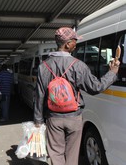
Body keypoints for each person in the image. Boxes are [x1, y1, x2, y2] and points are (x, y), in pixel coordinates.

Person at [33, 27, 120, 165]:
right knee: (72, 155)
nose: (76, 43)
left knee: (56, 154)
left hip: (53, 118)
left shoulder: (43, 66)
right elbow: (96, 87)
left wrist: (38, 120)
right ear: (67, 44)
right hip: (74, 117)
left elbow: (39, 95)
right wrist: (112, 72)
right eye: (74, 41)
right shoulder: (78, 65)